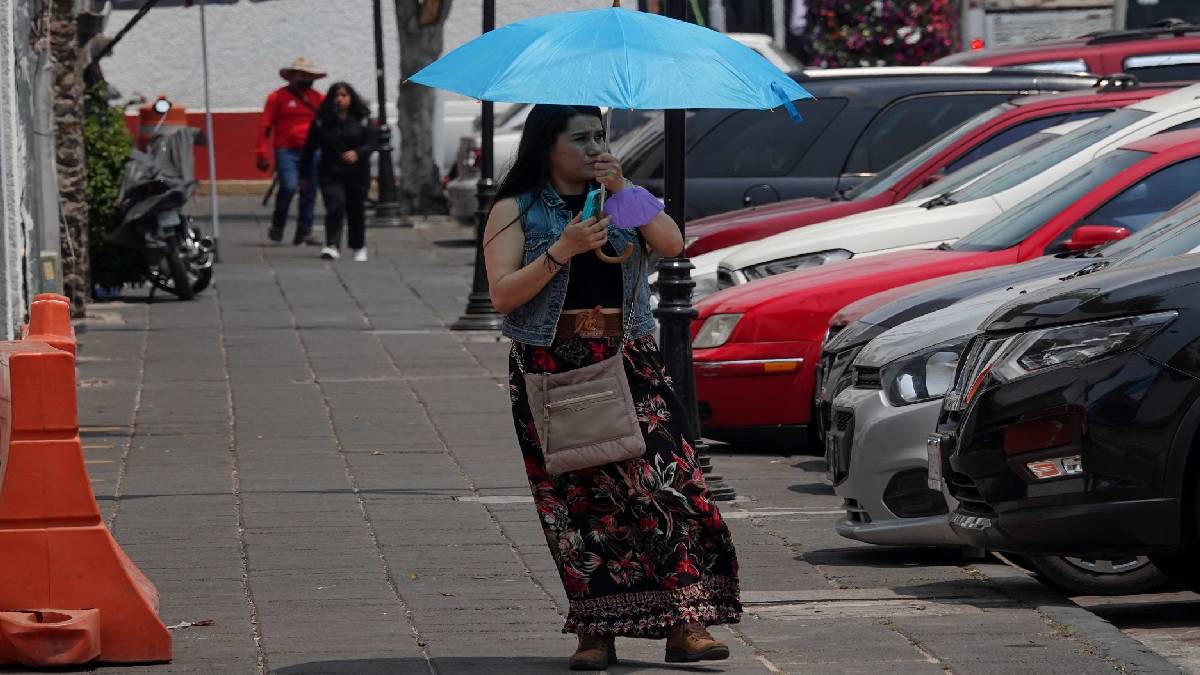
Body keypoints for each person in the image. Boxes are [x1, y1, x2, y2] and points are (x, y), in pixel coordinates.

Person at [483, 104, 741, 671]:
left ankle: (685, 622)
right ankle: (597, 633)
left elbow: (672, 245)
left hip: (628, 358)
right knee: (579, 505)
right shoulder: (516, 208)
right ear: (547, 146)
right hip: (554, 365)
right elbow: (503, 295)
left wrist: (624, 187)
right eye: (580, 139)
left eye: (600, 136)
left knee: (669, 486)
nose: (595, 147)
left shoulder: (623, 196)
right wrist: (563, 249)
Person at [300, 82, 377, 262]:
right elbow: (309, 148)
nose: (340, 99)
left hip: (357, 173)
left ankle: (358, 246)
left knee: (356, 209)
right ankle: (332, 245)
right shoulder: (322, 120)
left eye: (344, 95)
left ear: (351, 97)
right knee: (335, 205)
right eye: (336, 96)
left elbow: (372, 142)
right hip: (330, 172)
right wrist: (303, 175)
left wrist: (358, 153)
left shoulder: (363, 119)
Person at [256, 57, 326, 246]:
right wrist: (262, 151)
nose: (305, 78)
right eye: (301, 75)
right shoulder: (277, 98)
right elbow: (266, 126)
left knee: (309, 191)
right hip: (286, 150)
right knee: (288, 186)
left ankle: (304, 231)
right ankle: (278, 224)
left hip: (313, 151)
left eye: (308, 75)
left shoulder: (319, 99)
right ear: (292, 76)